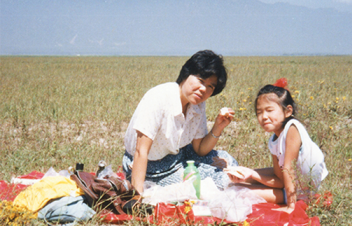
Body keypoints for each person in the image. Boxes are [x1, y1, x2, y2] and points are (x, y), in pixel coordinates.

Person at [123, 50, 238, 194]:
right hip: (152, 166)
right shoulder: (158, 98)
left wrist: (218, 126)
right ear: (186, 74)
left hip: (179, 154)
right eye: (201, 81)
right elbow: (141, 151)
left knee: (229, 162)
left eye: (210, 86)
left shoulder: (198, 104)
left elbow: (200, 149)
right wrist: (137, 197)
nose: (203, 89)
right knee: (222, 181)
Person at [226, 78, 328, 213]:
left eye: (269, 110)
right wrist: (250, 173)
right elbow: (279, 179)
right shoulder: (274, 140)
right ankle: (244, 175)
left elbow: (289, 169)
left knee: (236, 190)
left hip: (299, 194)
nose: (264, 117)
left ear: (288, 111)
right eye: (259, 112)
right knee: (237, 182)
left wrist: (291, 207)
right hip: (287, 185)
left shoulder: (292, 128)